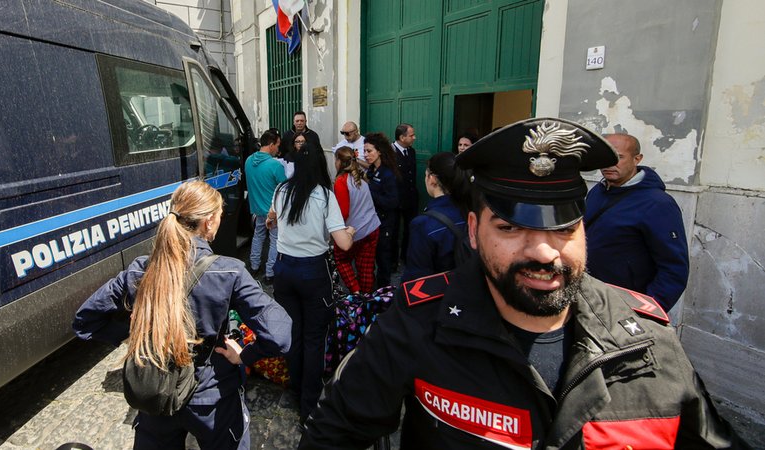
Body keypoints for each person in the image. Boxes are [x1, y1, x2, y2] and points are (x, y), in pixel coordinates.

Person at [299, 118, 749, 449]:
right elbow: (333, 434)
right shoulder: (417, 325)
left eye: (564, 229)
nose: (543, 251)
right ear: (474, 232)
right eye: (511, 229)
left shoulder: (651, 343)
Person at [72, 181, 292, 450]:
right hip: (212, 396)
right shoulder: (229, 272)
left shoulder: (140, 270)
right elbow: (280, 334)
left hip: (156, 394)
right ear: (209, 222)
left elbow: (85, 321)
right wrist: (244, 355)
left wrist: (139, 333)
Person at [269, 141, 356, 425]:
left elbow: (271, 219)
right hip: (312, 272)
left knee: (293, 333)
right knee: (314, 338)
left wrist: (274, 223)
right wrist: (350, 231)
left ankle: (296, 389)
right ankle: (309, 404)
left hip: (283, 270)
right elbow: (343, 244)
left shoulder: (282, 190)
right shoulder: (324, 195)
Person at [584, 133, 689, 312]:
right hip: (589, 296)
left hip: (624, 307)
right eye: (605, 157)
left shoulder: (658, 204)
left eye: (618, 157)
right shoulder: (598, 191)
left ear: (637, 159)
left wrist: (647, 313)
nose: (609, 163)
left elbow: (674, 269)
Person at [401, 152, 467, 283]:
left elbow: (416, 280)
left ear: (432, 179)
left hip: (441, 297)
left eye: (426, 175)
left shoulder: (423, 224)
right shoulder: (471, 210)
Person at [333, 146, 381, 294]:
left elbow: (343, 212)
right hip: (372, 227)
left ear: (339, 162)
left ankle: (356, 291)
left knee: (340, 259)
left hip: (353, 231)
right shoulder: (361, 177)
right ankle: (367, 297)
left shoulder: (341, 181)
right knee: (365, 266)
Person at [245, 130, 287, 283]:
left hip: (256, 209)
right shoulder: (275, 165)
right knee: (275, 239)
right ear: (270, 145)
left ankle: (254, 266)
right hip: (273, 211)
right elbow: (285, 188)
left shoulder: (248, 161)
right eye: (277, 145)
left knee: (258, 236)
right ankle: (270, 273)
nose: (278, 149)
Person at [363, 132, 400, 288]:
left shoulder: (388, 173)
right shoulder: (371, 170)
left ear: (379, 151)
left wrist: (369, 190)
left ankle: (384, 294)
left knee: (383, 260)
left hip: (384, 223)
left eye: (369, 151)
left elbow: (392, 202)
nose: (366, 155)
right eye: (364, 151)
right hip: (372, 222)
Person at [392, 123, 419, 269]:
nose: (414, 137)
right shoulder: (389, 153)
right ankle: (393, 261)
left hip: (410, 198)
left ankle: (406, 257)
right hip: (396, 200)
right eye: (411, 135)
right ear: (402, 137)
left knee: (410, 229)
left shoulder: (412, 151)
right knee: (394, 231)